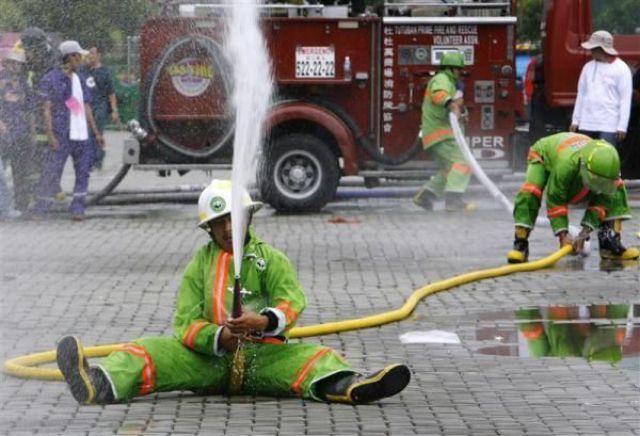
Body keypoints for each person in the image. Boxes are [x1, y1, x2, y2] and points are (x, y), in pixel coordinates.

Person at [55, 179, 411, 404]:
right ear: (207, 229)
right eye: (219, 223)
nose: (228, 229)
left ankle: (352, 387)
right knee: (144, 351)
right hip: (205, 361)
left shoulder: (271, 259)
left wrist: (264, 321)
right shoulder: (200, 265)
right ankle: (97, 384)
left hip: (264, 358)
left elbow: (292, 302)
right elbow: (185, 322)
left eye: (234, 219)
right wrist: (218, 337)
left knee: (316, 357)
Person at [506, 132, 639, 263]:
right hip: (543, 154)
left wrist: (583, 235)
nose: (599, 186)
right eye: (596, 181)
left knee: (615, 192)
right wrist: (563, 236)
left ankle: (610, 245)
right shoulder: (566, 166)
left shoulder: (608, 167)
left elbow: (602, 202)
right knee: (530, 191)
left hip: (576, 157)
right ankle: (520, 244)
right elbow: (555, 198)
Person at [32, 41, 104, 221]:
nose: (81, 58)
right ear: (70, 57)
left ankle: (78, 208)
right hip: (61, 133)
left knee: (83, 171)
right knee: (52, 170)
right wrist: (50, 134)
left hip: (81, 133)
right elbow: (47, 108)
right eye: (78, 55)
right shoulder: (51, 79)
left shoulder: (80, 78)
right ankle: (42, 207)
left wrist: (96, 133)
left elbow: (85, 106)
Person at [413, 50, 474, 212]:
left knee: (450, 170)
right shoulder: (442, 79)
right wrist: (452, 105)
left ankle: (426, 196)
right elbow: (439, 95)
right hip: (441, 135)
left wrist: (460, 111)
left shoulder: (450, 83)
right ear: (452, 68)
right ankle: (453, 201)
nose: (461, 74)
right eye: (459, 70)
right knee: (463, 162)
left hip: (438, 136)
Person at [569, 30, 633, 148]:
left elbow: (625, 99)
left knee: (605, 160)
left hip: (609, 125)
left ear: (602, 49)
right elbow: (581, 95)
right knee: (583, 159)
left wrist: (622, 126)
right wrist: (575, 120)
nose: (591, 51)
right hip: (586, 123)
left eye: (593, 48)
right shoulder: (587, 67)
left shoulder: (622, 69)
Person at [0, 47, 36, 213]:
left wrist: (33, 132)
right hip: (3, 134)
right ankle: (3, 207)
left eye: (19, 63)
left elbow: (30, 110)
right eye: (12, 63)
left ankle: (21, 206)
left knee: (21, 172)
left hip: (20, 134)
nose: (15, 66)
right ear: (6, 64)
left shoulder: (24, 85)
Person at [80, 45, 120, 170]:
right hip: (85, 106)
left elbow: (111, 93)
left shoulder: (105, 72)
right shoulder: (83, 70)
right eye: (88, 53)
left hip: (100, 106)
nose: (90, 56)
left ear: (98, 55)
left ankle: (96, 159)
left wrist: (114, 111)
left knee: (96, 133)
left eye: (92, 53)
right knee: (86, 134)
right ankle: (89, 159)